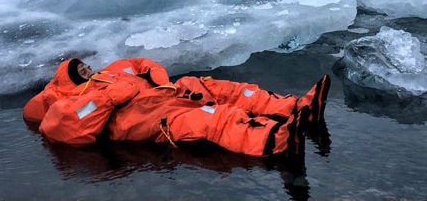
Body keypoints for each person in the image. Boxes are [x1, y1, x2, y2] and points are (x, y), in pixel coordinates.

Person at [23, 57, 330, 158]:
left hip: (167, 94)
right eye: (82, 72)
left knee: (224, 88)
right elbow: (65, 127)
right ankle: (278, 139)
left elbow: (141, 64)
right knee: (212, 119)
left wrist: (160, 81)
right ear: (71, 80)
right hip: (149, 119)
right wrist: (112, 97)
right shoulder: (65, 104)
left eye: (87, 66)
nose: (88, 70)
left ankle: (299, 107)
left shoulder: (111, 73)